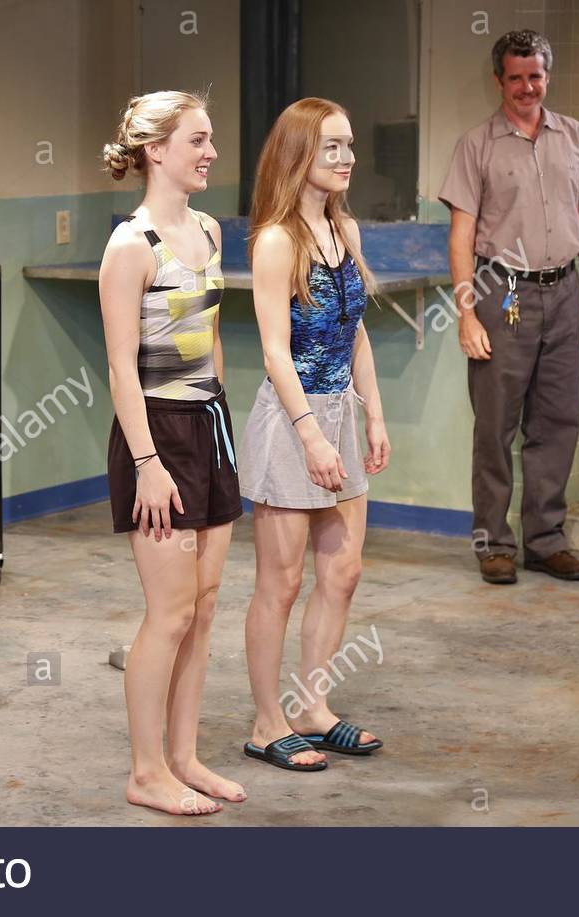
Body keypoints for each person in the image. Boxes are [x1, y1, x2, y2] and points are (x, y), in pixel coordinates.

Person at [99, 90, 246, 815]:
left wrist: (220, 418)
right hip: (156, 436)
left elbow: (210, 337)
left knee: (204, 607)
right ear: (156, 150)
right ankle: (146, 770)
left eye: (210, 138)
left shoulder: (210, 231)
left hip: (208, 426)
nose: (210, 152)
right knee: (169, 612)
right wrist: (149, 466)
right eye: (197, 139)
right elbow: (121, 368)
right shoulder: (131, 246)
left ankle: (184, 756)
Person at [238, 98, 390, 771]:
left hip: (339, 415)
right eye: (331, 147)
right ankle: (266, 723)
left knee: (344, 570)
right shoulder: (277, 240)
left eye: (349, 145)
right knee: (282, 582)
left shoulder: (344, 229)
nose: (346, 158)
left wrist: (373, 413)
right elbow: (275, 351)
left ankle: (312, 708)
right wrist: (310, 436)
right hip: (291, 420)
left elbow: (356, 332)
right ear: (298, 154)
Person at [439, 29, 579, 585]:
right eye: (515, 77)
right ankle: (493, 544)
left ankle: (545, 541)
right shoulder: (477, 145)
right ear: (499, 81)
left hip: (563, 292)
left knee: (557, 422)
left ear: (547, 76)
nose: (526, 87)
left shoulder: (574, 136)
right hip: (501, 293)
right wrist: (466, 314)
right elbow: (461, 236)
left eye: (534, 76)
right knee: (495, 425)